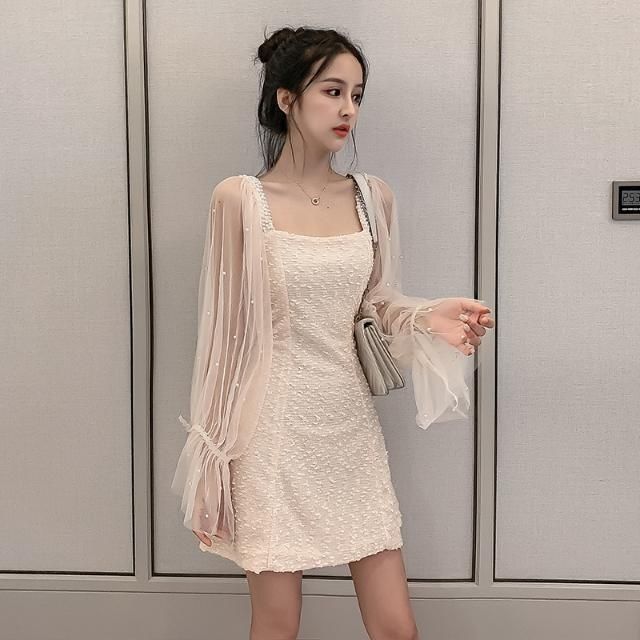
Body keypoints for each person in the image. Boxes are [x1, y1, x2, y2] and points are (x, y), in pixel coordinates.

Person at [171, 25, 494, 640]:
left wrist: (430, 316)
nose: (349, 109)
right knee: (277, 625)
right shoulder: (240, 200)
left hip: (349, 428)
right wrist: (212, 462)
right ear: (286, 99)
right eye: (332, 91)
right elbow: (223, 345)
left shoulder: (373, 197)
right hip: (269, 432)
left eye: (358, 95)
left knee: (397, 628)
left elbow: (374, 306)